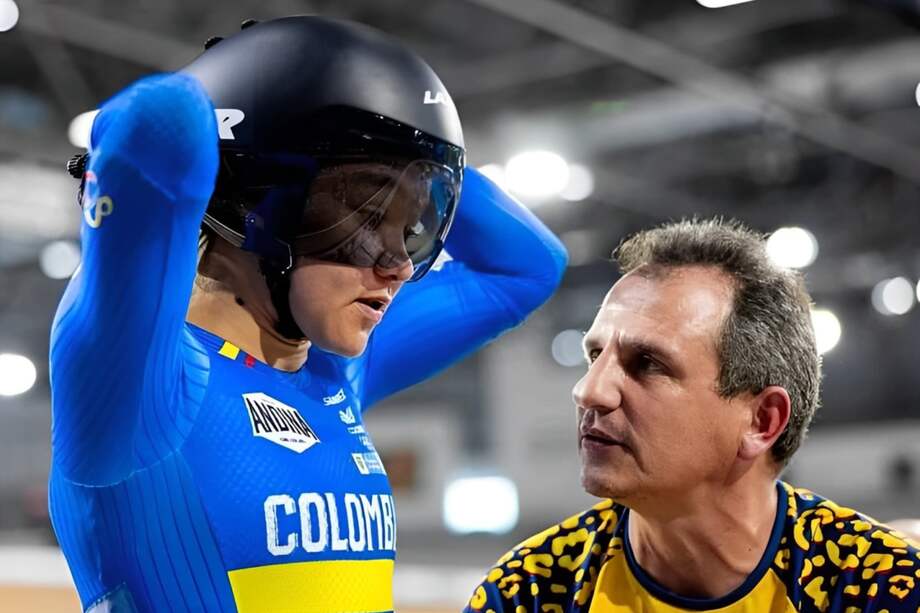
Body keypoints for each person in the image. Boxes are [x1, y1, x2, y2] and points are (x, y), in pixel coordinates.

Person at [49, 16, 566, 613]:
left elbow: (529, 266)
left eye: (415, 226)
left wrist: (412, 150)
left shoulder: (330, 372)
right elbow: (156, 126)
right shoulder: (140, 388)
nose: (398, 265)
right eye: (364, 221)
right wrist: (259, 111)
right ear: (253, 206)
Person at [465, 219, 920, 613]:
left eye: (647, 363)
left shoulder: (878, 588)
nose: (589, 390)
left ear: (762, 421)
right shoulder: (531, 591)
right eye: (594, 356)